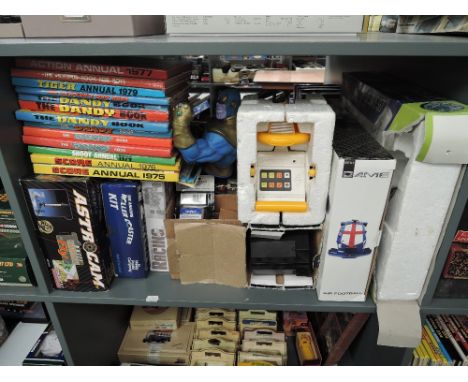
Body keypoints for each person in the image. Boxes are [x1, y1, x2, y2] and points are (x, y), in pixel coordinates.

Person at [173, 88, 241, 178]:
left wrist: (180, 126)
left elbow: (192, 157)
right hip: (221, 165)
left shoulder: (220, 138)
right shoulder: (232, 121)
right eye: (218, 101)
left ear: (233, 105)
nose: (218, 105)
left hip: (218, 169)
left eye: (222, 102)